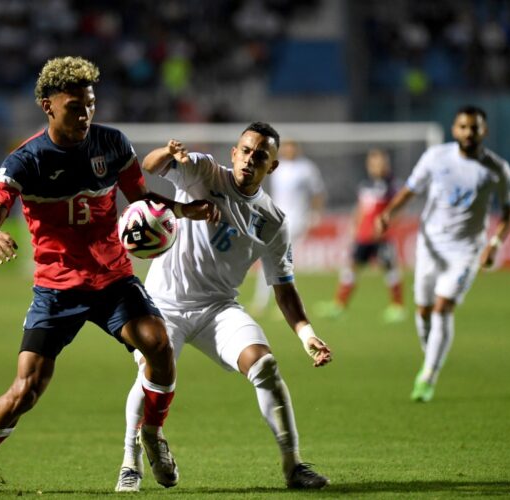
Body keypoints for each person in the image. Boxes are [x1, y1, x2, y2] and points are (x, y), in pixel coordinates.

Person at [0, 56, 219, 494]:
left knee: (159, 344)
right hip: (56, 289)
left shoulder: (112, 144)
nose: (86, 113)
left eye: (90, 103)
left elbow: (140, 196)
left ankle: (152, 433)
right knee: (26, 390)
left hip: (113, 280)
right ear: (48, 106)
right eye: (75, 106)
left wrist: (182, 210)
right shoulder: (26, 160)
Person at [114, 123, 332, 493]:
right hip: (164, 302)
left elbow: (284, 287)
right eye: (245, 151)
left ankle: (293, 465)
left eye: (261, 155)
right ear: (234, 153)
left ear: (272, 167)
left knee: (265, 365)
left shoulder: (273, 221)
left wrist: (307, 334)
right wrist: (168, 153)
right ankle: (129, 463)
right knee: (150, 374)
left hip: (218, 308)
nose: (250, 159)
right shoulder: (202, 170)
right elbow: (149, 166)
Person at [376, 105, 510, 403]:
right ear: (454, 130)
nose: (469, 132)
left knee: (442, 308)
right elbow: (411, 189)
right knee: (423, 311)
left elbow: (508, 213)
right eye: (463, 127)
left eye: (474, 127)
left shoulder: (497, 169)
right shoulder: (436, 157)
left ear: (484, 131)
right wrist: (389, 213)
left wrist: (494, 245)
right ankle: (433, 354)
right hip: (429, 245)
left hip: (465, 250)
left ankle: (428, 375)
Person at [316, 149, 406, 323]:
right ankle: (339, 306)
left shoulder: (392, 184)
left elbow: (398, 209)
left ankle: (398, 307)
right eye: (373, 163)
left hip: (382, 237)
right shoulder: (366, 184)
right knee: (351, 268)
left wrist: (387, 227)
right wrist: (354, 225)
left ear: (386, 164)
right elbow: (361, 208)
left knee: (390, 269)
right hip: (363, 236)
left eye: (379, 162)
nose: (376, 166)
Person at [250, 139, 325, 316]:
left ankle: (281, 303)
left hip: (297, 220)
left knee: (280, 259)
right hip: (276, 218)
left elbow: (318, 192)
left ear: (297, 149)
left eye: (292, 147)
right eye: (286, 147)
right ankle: (267, 302)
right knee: (272, 258)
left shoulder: (306, 168)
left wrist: (315, 213)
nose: (289, 150)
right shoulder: (277, 167)